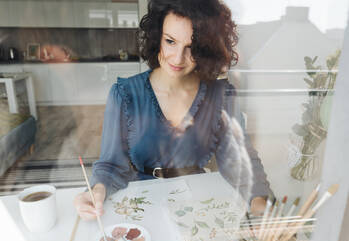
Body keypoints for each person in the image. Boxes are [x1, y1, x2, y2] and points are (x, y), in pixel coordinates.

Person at [74, 0, 273, 221]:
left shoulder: (221, 95)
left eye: (191, 48)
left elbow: (239, 160)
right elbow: (111, 165)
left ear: (206, 49)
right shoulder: (124, 94)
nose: (178, 58)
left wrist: (259, 204)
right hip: (142, 206)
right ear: (157, 36)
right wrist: (97, 190)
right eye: (170, 41)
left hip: (197, 205)